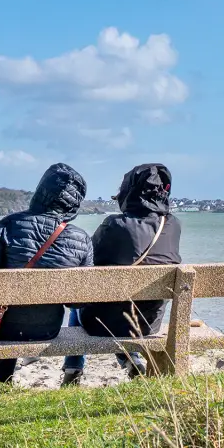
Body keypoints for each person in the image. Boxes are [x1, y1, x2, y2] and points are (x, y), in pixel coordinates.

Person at [62, 163, 181, 386]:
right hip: (148, 323)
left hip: (103, 323)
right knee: (117, 306)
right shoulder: (173, 225)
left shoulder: (115, 225)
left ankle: (73, 369)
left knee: (79, 306)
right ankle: (131, 360)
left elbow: (88, 267)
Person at [0, 162, 93, 386]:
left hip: (2, 328)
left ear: (41, 190)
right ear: (75, 201)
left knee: (7, 311)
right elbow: (80, 302)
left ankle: (2, 382)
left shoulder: (9, 225)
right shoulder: (81, 238)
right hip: (48, 329)